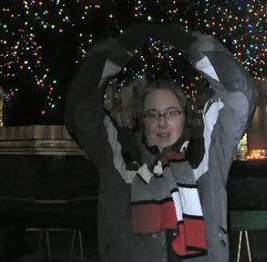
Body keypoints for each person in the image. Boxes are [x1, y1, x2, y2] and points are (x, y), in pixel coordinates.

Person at [64, 24, 258, 261]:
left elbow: (240, 97)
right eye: (153, 114)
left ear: (184, 116)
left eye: (172, 113)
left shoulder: (209, 154)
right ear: (141, 119)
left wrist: (194, 46)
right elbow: (80, 109)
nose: (162, 122)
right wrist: (116, 52)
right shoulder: (117, 156)